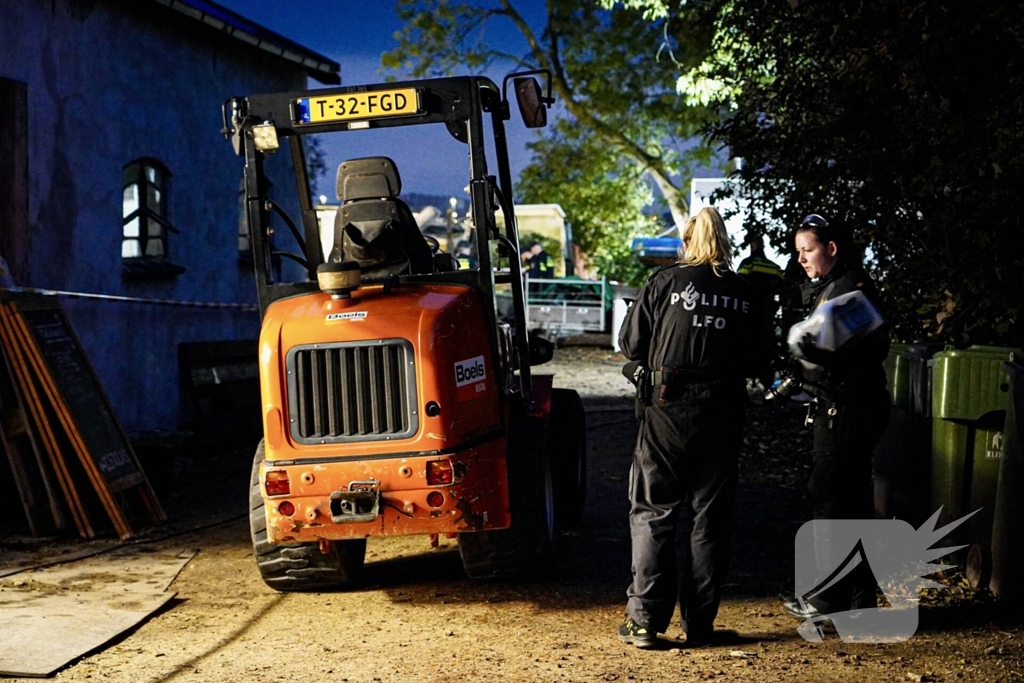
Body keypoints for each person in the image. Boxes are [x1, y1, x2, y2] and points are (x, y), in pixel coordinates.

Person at [617, 207, 769, 649]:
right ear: (726, 243)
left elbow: (631, 345)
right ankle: (699, 624)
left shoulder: (664, 283)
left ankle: (644, 621)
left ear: (686, 242)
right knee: (710, 520)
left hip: (667, 409)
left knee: (654, 512)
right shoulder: (746, 293)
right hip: (723, 412)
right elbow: (761, 360)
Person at [781, 213, 891, 622]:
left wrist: (809, 352)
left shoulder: (848, 291)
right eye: (798, 252)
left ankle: (826, 602)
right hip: (849, 404)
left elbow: (857, 351)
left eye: (808, 250)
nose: (801, 260)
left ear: (832, 248)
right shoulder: (836, 287)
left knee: (830, 497)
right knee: (853, 501)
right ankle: (859, 601)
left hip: (847, 407)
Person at [736, 233, 785, 388]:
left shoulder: (747, 265)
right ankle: (767, 385)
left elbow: (738, 288)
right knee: (767, 350)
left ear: (752, 246)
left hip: (749, 317)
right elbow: (783, 290)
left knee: (747, 349)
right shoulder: (774, 267)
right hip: (768, 318)